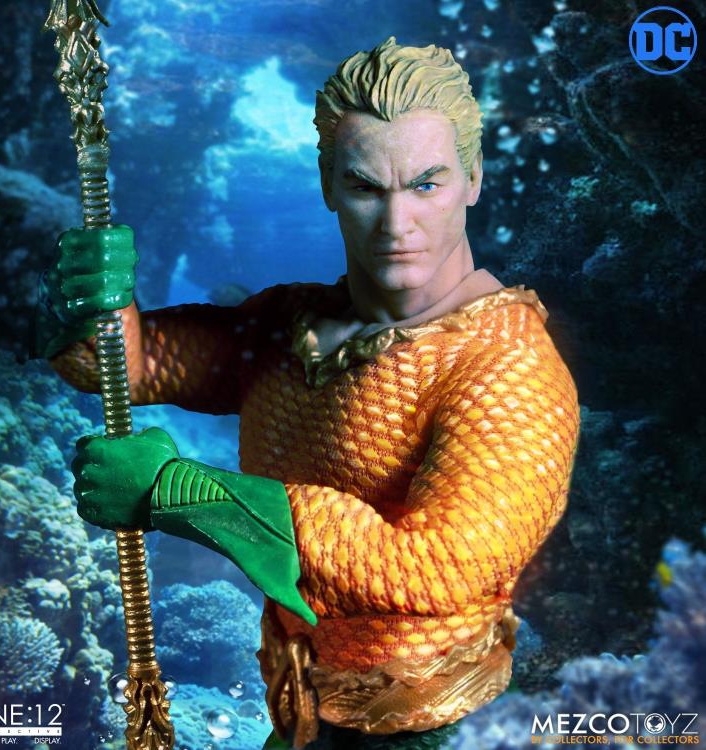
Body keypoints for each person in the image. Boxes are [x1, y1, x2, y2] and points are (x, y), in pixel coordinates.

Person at [39, 37, 580, 750]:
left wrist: (182, 493)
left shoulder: (510, 367)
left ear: (473, 178)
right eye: (366, 188)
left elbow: (439, 565)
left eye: (426, 185)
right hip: (301, 714)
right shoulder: (288, 325)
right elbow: (123, 366)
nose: (397, 224)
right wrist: (96, 302)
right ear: (328, 185)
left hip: (435, 727)